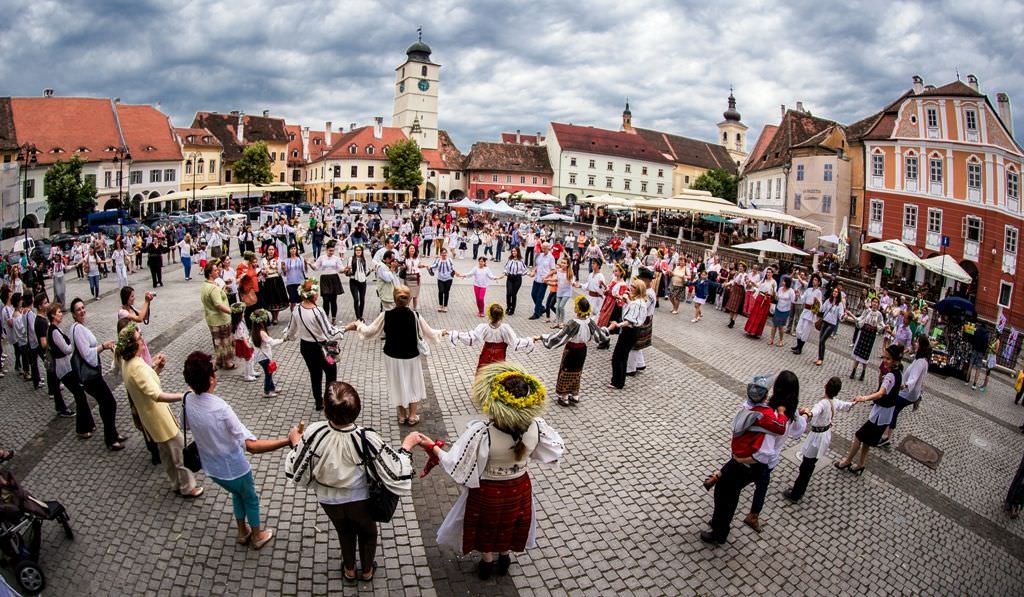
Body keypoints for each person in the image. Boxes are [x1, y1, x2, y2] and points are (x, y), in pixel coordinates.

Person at [421, 362, 563, 580]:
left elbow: (456, 464)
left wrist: (434, 448)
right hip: (519, 486)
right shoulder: (537, 426)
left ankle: (487, 562)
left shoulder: (481, 432)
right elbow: (552, 451)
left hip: (488, 489)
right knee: (509, 522)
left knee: (486, 525)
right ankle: (504, 556)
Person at [285, 381, 420, 583]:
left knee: (343, 531)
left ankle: (349, 570)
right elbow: (395, 471)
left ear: (326, 409)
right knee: (368, 532)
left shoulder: (314, 432)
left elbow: (297, 463)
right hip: (360, 500)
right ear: (357, 409)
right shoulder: (367, 438)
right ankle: (366, 571)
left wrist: (296, 440)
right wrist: (407, 446)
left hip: (328, 499)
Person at [182, 350, 302, 550]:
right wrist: (287, 440)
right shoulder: (221, 408)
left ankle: (242, 531)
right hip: (235, 468)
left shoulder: (187, 399)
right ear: (211, 379)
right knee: (250, 498)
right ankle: (257, 535)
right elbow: (251, 447)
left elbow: (185, 426)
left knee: (237, 494)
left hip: (212, 469)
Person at [700, 373, 794, 545]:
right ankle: (720, 521)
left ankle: (720, 533)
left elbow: (762, 454)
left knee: (726, 493)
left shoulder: (767, 414)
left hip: (749, 463)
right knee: (727, 491)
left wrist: (740, 459)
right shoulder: (776, 414)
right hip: (750, 462)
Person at [118, 324, 201, 495]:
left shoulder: (128, 362)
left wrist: (158, 367)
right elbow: (156, 394)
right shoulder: (136, 366)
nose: (142, 339)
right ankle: (187, 487)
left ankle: (175, 484)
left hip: (149, 418)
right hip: (158, 416)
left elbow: (146, 383)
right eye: (139, 338)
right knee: (178, 451)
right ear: (132, 344)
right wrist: (183, 395)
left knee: (166, 454)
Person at [347, 285, 442, 425]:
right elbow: (429, 332)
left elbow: (370, 331)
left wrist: (359, 325)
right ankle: (413, 416)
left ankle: (402, 416)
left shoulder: (385, 315)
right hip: (411, 356)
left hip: (392, 356)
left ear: (394, 299)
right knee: (413, 383)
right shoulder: (415, 315)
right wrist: (441, 332)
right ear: (409, 299)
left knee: (397, 383)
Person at [66, 298, 125, 450]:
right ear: (73, 313)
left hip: (92, 375)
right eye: (78, 309)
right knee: (109, 402)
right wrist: (103, 346)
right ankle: (111, 439)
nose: (82, 311)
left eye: (83, 308)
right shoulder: (77, 329)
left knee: (107, 403)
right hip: (90, 376)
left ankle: (112, 434)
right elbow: (86, 354)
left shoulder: (78, 327)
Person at [836, 344, 905, 474]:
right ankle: (861, 464)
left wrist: (863, 398)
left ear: (895, 360)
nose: (885, 360)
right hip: (885, 415)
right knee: (866, 441)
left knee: (858, 436)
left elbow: (881, 393)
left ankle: (847, 461)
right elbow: (895, 388)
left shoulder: (890, 376)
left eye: (888, 359)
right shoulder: (899, 373)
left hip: (879, 415)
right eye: (884, 357)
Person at [783, 377, 853, 502]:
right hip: (825, 435)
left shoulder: (822, 403)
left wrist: (806, 413)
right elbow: (845, 405)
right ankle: (800, 490)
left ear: (825, 386)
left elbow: (814, 412)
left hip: (816, 438)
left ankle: (796, 494)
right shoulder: (834, 402)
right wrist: (854, 402)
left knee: (806, 466)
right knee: (810, 464)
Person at [284, 278, 346, 411]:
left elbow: (291, 331)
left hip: (306, 347)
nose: (318, 294)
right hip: (322, 348)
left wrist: (286, 338)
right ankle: (330, 400)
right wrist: (347, 328)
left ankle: (319, 401)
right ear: (312, 295)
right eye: (316, 292)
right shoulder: (317, 311)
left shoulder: (297, 309)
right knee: (331, 373)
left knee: (315, 374)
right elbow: (330, 332)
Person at [536, 296, 611, 406]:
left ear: (577, 309)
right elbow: (599, 335)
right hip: (582, 350)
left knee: (566, 371)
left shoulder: (573, 323)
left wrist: (543, 337)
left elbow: (559, 337)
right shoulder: (590, 322)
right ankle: (575, 394)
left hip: (571, 350)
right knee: (577, 371)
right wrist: (606, 331)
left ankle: (564, 397)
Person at [448, 303, 534, 371]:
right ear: (502, 315)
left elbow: (470, 338)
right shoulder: (505, 328)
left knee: (483, 374)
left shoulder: (483, 328)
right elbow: (515, 343)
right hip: (499, 356)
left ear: (489, 315)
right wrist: (531, 339)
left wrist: (453, 334)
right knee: (497, 376)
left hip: (486, 355)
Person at [879, 335, 930, 447]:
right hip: (911, 394)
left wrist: (904, 386)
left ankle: (886, 436)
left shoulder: (920, 362)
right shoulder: (923, 360)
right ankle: (886, 436)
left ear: (921, 346)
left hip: (907, 394)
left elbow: (914, 378)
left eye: (917, 342)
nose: (915, 344)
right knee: (894, 410)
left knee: (893, 409)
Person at [609, 281, 647, 390]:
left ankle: (617, 382)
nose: (631, 288)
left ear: (638, 289)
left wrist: (617, 325)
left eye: (633, 287)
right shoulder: (640, 301)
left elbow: (630, 320)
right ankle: (619, 381)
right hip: (634, 331)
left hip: (629, 331)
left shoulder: (637, 303)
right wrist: (626, 300)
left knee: (618, 357)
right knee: (623, 356)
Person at [200, 261, 236, 370]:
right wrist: (231, 311)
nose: (218, 271)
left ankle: (219, 361)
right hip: (220, 319)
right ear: (210, 274)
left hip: (211, 318)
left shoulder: (206, 285)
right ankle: (227, 363)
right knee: (225, 342)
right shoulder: (213, 288)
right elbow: (218, 304)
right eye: (215, 270)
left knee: (218, 342)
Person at [849, 297, 885, 381]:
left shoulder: (879, 314)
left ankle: (863, 372)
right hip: (864, 332)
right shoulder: (867, 311)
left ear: (878, 304)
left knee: (865, 355)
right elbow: (860, 319)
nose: (875, 304)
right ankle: (853, 371)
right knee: (858, 353)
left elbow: (881, 324)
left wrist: (884, 327)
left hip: (871, 335)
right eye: (873, 302)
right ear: (871, 303)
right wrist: (851, 315)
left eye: (876, 302)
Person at [250, 309, 282, 398]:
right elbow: (272, 342)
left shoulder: (253, 331)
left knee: (269, 372)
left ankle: (272, 387)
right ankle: (267, 391)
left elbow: (250, 343)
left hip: (259, 356)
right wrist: (283, 340)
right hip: (264, 357)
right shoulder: (262, 332)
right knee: (268, 374)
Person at [314, 239, 346, 324]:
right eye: (330, 250)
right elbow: (316, 267)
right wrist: (309, 264)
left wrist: (345, 269)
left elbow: (340, 269)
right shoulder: (321, 258)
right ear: (326, 249)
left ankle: (334, 318)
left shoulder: (336, 258)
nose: (331, 252)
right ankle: (325, 317)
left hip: (334, 278)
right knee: (325, 299)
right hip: (324, 279)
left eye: (333, 250)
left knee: (333, 299)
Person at [791, 273, 822, 355]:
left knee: (805, 331)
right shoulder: (808, 290)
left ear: (819, 282)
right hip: (805, 311)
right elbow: (803, 298)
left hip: (811, 313)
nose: (814, 281)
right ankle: (798, 345)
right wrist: (798, 295)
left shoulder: (819, 292)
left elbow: (820, 305)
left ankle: (800, 348)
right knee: (798, 329)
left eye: (815, 280)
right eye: (813, 279)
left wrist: (817, 302)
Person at [814, 285, 846, 366]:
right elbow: (822, 309)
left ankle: (821, 359)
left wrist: (843, 316)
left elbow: (840, 315)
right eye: (834, 291)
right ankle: (819, 357)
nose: (834, 293)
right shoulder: (828, 300)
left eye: (836, 292)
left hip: (832, 324)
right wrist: (818, 302)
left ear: (838, 294)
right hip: (824, 321)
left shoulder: (840, 304)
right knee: (820, 339)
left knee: (822, 340)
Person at [744, 267, 776, 340]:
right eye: (767, 272)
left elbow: (774, 294)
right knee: (754, 314)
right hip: (760, 297)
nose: (768, 274)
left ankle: (756, 332)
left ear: (772, 274)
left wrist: (773, 290)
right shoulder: (763, 280)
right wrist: (751, 282)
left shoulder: (774, 282)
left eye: (770, 272)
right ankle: (750, 330)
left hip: (766, 299)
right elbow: (757, 285)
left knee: (761, 316)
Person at [260, 245, 289, 324]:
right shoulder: (263, 260)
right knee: (271, 299)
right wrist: (263, 273)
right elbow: (261, 271)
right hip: (268, 281)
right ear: (267, 251)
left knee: (278, 299)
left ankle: (275, 317)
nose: (271, 251)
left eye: (272, 249)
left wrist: (283, 268)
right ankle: (273, 316)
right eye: (269, 249)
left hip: (277, 280)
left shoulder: (278, 259)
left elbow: (283, 272)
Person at [528, 242, 555, 320]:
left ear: (548, 248)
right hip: (537, 278)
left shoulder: (551, 257)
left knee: (539, 297)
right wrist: (533, 271)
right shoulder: (540, 255)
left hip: (544, 280)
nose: (543, 249)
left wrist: (547, 276)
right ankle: (542, 308)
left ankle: (536, 313)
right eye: (542, 248)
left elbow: (553, 270)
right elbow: (537, 265)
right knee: (533, 294)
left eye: (544, 248)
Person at [767, 275, 794, 346]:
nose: (782, 282)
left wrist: (797, 296)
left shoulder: (791, 291)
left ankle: (781, 340)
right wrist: (774, 294)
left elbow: (793, 300)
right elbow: (777, 298)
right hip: (778, 308)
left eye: (784, 281)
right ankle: (771, 339)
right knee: (774, 325)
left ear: (787, 282)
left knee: (780, 326)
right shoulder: (780, 289)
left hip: (785, 310)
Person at [428, 247, 456, 313]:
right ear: (440, 254)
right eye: (442, 253)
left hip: (449, 278)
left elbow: (452, 268)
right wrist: (429, 267)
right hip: (440, 278)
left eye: (445, 253)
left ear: (447, 253)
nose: (444, 254)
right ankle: (440, 305)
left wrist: (454, 273)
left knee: (446, 292)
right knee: (441, 291)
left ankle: (445, 306)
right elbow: (434, 266)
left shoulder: (450, 260)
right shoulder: (438, 260)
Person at [400, 244, 426, 311]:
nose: (412, 250)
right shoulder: (404, 258)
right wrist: (402, 267)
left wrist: (423, 266)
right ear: (408, 250)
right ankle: (406, 308)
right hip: (408, 278)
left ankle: (415, 309)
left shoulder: (417, 257)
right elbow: (401, 267)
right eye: (411, 248)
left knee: (415, 296)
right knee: (409, 295)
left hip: (416, 278)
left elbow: (418, 265)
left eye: (413, 249)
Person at [504, 246, 527, 316]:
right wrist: (505, 272)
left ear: (518, 252)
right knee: (508, 294)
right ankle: (508, 306)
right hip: (510, 277)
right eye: (512, 251)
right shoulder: (510, 259)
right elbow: (506, 267)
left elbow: (525, 269)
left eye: (515, 251)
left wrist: (524, 274)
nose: (513, 252)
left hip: (517, 279)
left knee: (513, 294)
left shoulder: (521, 260)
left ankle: (512, 309)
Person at [723, 263, 748, 329]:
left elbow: (746, 284)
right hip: (735, 289)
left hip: (740, 291)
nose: (740, 267)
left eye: (741, 267)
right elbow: (733, 281)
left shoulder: (745, 275)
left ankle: (733, 321)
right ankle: (731, 319)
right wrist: (727, 284)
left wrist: (747, 284)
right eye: (739, 266)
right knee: (731, 307)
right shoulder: (736, 273)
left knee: (736, 308)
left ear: (744, 268)